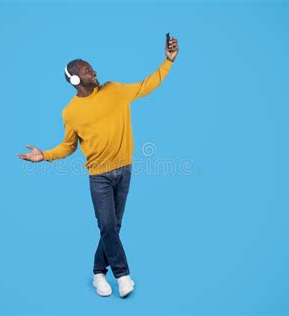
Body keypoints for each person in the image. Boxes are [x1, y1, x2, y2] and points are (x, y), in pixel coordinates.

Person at [19, 35, 179, 298]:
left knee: (113, 228)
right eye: (85, 69)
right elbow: (69, 146)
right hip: (99, 177)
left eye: (90, 66)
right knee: (106, 226)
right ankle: (123, 275)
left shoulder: (115, 89)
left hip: (124, 170)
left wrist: (168, 61)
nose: (92, 70)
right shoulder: (70, 112)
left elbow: (145, 86)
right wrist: (44, 156)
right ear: (74, 79)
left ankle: (97, 273)